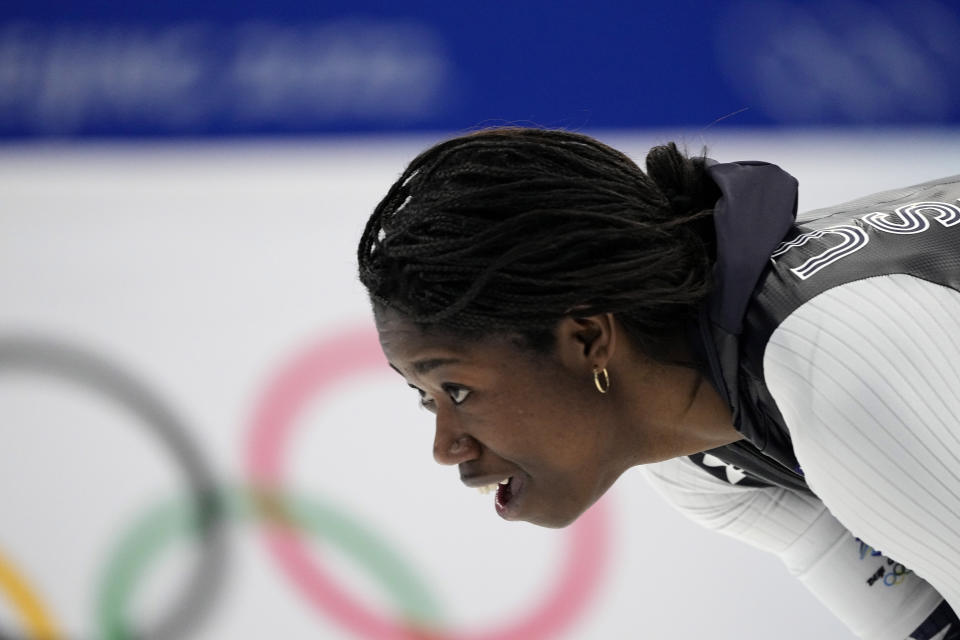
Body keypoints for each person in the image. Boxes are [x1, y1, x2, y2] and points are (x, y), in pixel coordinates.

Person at [356, 127, 960, 639]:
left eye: (456, 390)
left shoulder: (842, 370)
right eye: (422, 396)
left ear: (589, 338)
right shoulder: (692, 458)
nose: (444, 447)